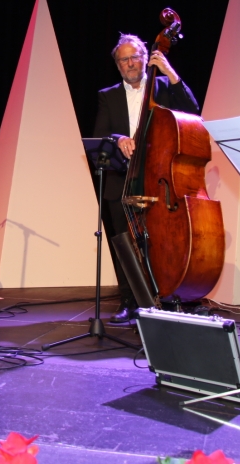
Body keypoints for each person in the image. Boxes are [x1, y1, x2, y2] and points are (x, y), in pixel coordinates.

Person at [93, 34, 200, 323]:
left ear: (145, 58)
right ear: (118, 65)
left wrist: (171, 74)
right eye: (123, 59)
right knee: (123, 244)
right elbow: (102, 133)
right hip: (123, 180)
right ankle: (129, 301)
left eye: (134, 57)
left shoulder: (164, 88)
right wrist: (119, 140)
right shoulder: (108, 95)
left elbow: (194, 112)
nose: (129, 63)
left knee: (160, 243)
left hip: (160, 177)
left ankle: (166, 299)